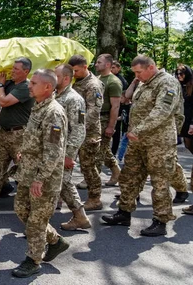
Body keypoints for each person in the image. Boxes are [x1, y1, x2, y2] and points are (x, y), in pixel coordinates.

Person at [102, 55, 184, 236]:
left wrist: (138, 130)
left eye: (139, 72)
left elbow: (162, 110)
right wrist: (135, 133)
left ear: (151, 67)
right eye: (135, 73)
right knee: (129, 176)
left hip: (158, 143)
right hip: (138, 141)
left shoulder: (167, 83)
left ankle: (161, 221)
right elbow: (129, 100)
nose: (137, 76)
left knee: (160, 182)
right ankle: (124, 213)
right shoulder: (143, 82)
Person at [12, 69, 69, 278]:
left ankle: (33, 260)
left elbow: (54, 151)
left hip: (43, 179)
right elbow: (37, 140)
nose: (29, 85)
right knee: (21, 211)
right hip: (27, 173)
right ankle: (55, 240)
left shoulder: (53, 112)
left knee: (36, 222)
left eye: (33, 83)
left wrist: (40, 179)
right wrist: (23, 151)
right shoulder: (38, 107)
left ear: (47, 87)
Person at [0, 57, 35, 209]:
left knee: (24, 168)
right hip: (4, 133)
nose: (12, 71)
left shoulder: (26, 86)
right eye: (12, 68)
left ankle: (30, 201)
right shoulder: (10, 84)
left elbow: (4, 102)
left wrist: (0, 84)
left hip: (19, 135)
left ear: (26, 72)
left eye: (16, 69)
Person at [53, 64, 91, 230]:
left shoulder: (74, 99)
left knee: (64, 182)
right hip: (54, 148)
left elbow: (78, 129)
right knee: (59, 182)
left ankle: (80, 216)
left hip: (64, 149)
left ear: (66, 78)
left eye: (56, 76)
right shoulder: (56, 95)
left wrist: (69, 154)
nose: (53, 79)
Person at [69, 54, 104, 211]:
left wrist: (78, 127)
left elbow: (94, 111)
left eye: (76, 70)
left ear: (85, 67)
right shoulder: (77, 82)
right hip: (74, 132)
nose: (73, 74)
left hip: (88, 133)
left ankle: (95, 198)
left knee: (88, 167)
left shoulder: (93, 85)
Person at [94, 54, 122, 186]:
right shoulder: (97, 79)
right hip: (95, 117)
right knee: (103, 149)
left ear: (107, 65)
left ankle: (92, 178)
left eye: (99, 62)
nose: (96, 64)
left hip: (105, 117)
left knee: (99, 150)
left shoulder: (113, 82)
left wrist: (111, 126)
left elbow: (115, 106)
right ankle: (116, 171)